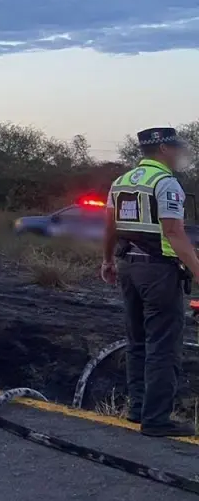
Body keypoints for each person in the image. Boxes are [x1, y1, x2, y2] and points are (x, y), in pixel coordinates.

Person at [100, 127, 199, 437]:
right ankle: (156, 420)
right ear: (165, 150)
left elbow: (110, 225)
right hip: (158, 271)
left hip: (128, 266)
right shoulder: (165, 183)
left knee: (138, 341)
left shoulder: (122, 181)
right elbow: (173, 232)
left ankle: (138, 409)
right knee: (163, 345)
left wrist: (107, 260)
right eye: (177, 148)